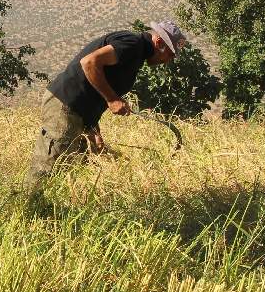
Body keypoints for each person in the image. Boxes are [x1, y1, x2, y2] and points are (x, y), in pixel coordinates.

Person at [26, 20, 187, 188]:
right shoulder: (132, 44)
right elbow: (89, 63)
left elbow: (95, 92)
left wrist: (93, 128)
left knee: (82, 165)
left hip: (78, 112)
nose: (168, 61)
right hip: (65, 105)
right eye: (170, 54)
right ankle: (29, 202)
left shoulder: (137, 54)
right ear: (159, 43)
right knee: (49, 169)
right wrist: (112, 99)